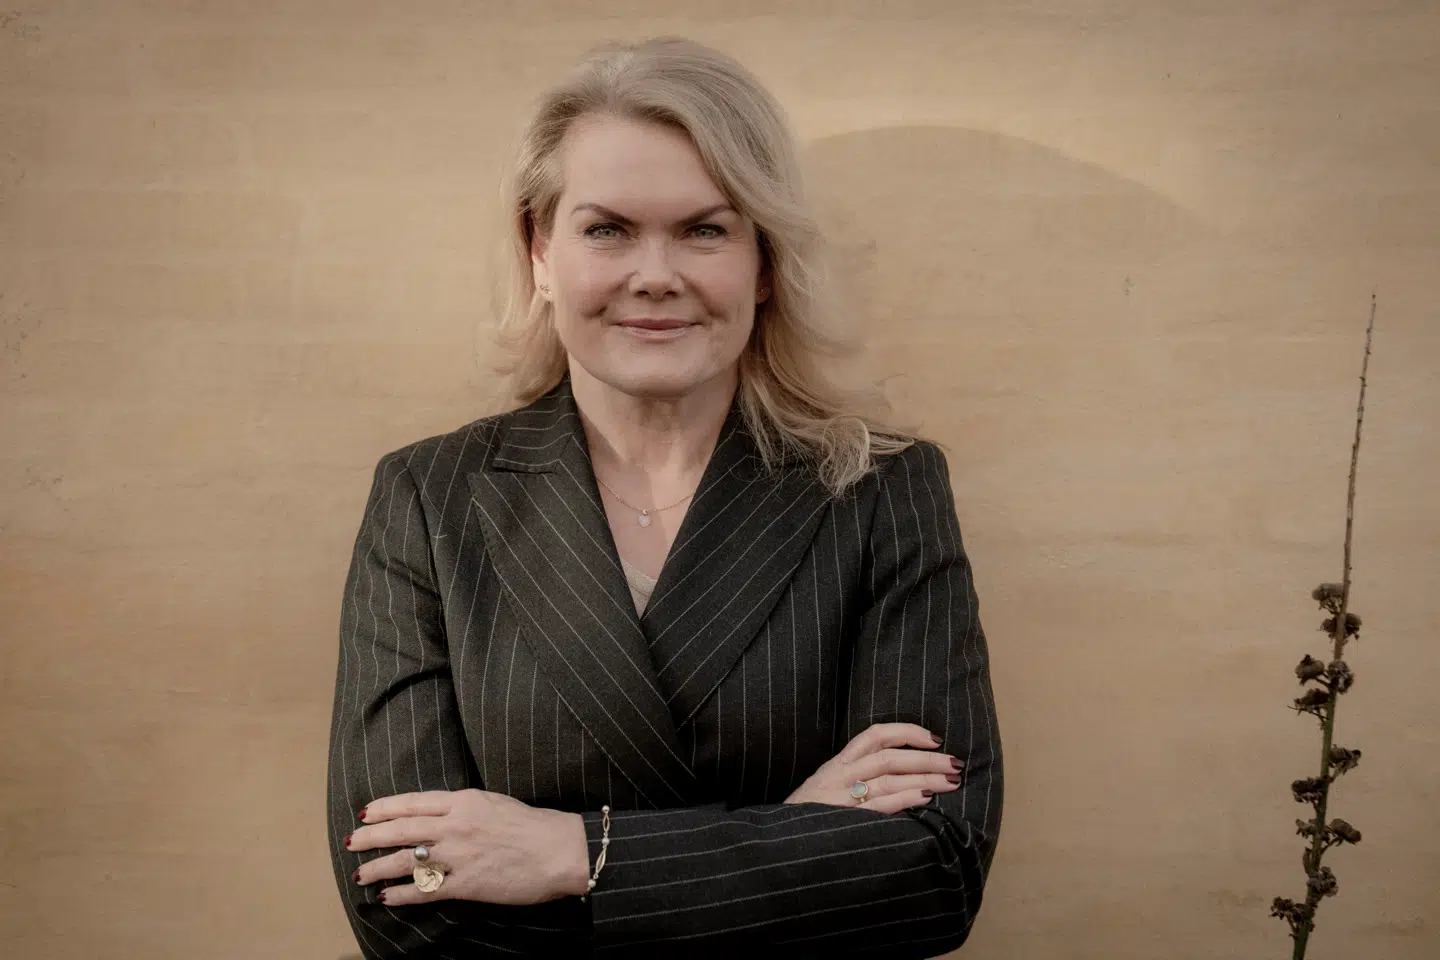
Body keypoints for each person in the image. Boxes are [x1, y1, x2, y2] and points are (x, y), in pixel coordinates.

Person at [326, 35, 1003, 958]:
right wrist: (794, 831)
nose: (655, 274)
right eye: (607, 229)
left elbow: (930, 875)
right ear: (539, 251)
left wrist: (575, 853)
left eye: (705, 230)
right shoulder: (428, 499)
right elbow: (406, 899)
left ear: (765, 263)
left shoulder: (879, 490)